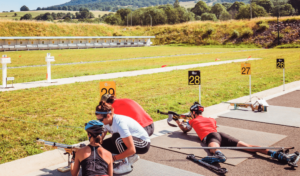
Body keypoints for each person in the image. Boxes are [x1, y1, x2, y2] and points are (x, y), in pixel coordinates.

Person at [175, 102, 293, 164]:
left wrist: (178, 121)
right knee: (248, 146)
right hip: (221, 134)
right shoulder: (212, 119)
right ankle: (275, 154)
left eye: (191, 113)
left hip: (211, 136)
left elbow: (186, 130)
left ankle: (219, 155)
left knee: (212, 148)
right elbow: (212, 128)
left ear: (194, 113)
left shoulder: (192, 120)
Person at [95, 101, 151, 174]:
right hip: (127, 140)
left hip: (143, 143)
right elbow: (100, 138)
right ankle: (126, 157)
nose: (99, 122)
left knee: (117, 138)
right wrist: (91, 148)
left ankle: (127, 163)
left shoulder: (119, 123)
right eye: (97, 119)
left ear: (108, 116)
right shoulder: (107, 121)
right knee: (102, 146)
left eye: (100, 120)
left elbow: (132, 149)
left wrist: (113, 159)